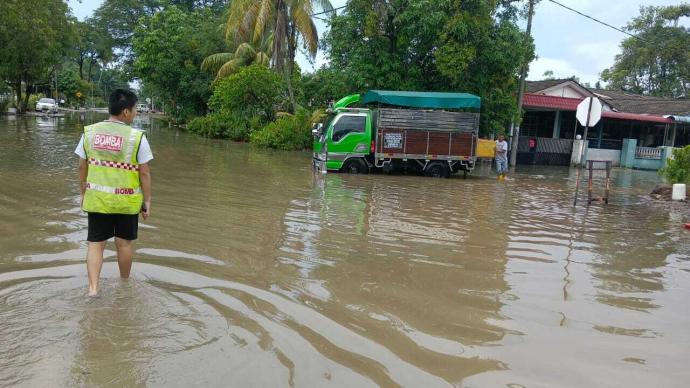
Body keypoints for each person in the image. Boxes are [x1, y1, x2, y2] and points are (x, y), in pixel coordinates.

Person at [75, 89, 153, 296]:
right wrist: (147, 201)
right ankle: (125, 285)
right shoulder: (137, 138)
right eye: (135, 108)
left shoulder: (89, 133)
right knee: (124, 243)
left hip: (98, 199)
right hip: (126, 202)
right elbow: (144, 172)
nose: (136, 112)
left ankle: (93, 290)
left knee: (95, 244)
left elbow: (82, 166)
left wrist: (83, 191)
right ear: (126, 112)